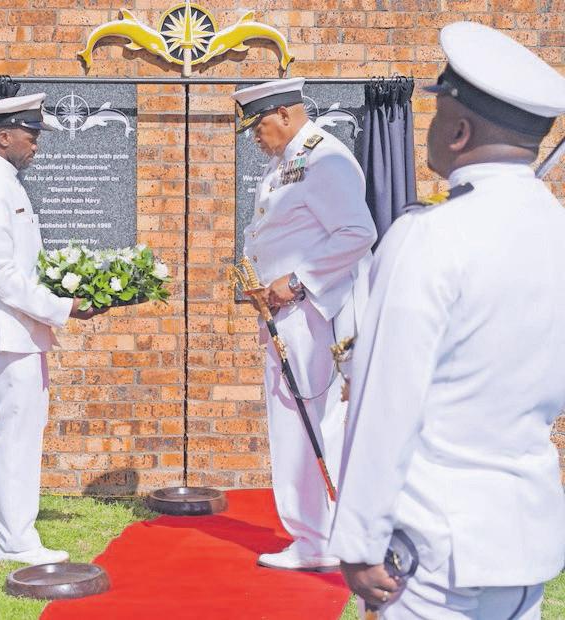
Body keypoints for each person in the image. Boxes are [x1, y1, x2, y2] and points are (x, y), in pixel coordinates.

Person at [328, 21, 565, 618]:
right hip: (525, 542)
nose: (429, 132)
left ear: (459, 132)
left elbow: (386, 403)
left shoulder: (427, 238)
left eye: (437, 118)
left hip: (434, 554)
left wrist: (357, 542)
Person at [0, 93, 104, 566]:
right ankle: (16, 540)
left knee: (20, 428)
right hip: (7, 328)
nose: (36, 146)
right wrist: (62, 306)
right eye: (30, 137)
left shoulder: (2, 181)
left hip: (17, 327)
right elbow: (3, 275)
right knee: (19, 432)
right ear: (4, 135)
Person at [232, 78, 377, 571]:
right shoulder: (288, 162)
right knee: (303, 421)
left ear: (287, 115)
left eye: (259, 124)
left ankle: (316, 540)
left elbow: (359, 232)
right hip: (291, 312)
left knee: (302, 423)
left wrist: (295, 282)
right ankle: (321, 534)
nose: (254, 135)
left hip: (310, 312)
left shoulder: (323, 158)